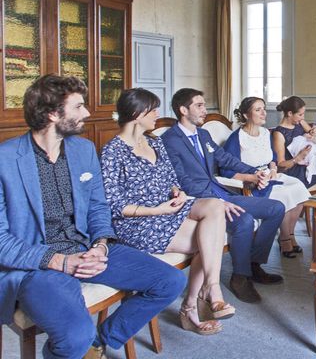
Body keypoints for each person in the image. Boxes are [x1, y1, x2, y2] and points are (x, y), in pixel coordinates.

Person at [0, 75, 185, 359]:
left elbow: (98, 207)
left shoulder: (83, 150)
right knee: (74, 337)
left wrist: (100, 244)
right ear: (52, 113)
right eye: (78, 107)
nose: (87, 113)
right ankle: (82, 344)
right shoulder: (5, 159)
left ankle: (99, 342)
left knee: (171, 281)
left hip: (87, 248)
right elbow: (1, 241)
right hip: (39, 264)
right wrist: (59, 261)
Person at [101, 88, 236, 335]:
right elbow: (114, 205)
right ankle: (192, 305)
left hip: (169, 210)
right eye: (152, 110)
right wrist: (155, 210)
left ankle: (210, 288)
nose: (157, 114)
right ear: (135, 113)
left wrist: (178, 192)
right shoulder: (113, 151)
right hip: (139, 224)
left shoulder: (154, 141)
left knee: (215, 206)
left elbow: (172, 179)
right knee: (208, 238)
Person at [161, 88, 285, 304]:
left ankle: (254, 265)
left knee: (276, 208)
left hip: (219, 190)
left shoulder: (203, 134)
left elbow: (226, 159)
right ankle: (240, 277)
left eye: (204, 104)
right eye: (199, 105)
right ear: (183, 110)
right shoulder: (170, 139)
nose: (204, 110)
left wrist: (254, 172)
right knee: (244, 220)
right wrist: (217, 203)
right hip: (200, 200)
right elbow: (183, 181)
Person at [222, 96, 309, 258]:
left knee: (298, 187)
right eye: (258, 110)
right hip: (254, 184)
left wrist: (274, 169)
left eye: (263, 108)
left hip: (270, 175)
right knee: (284, 195)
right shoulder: (236, 138)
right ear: (247, 115)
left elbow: (273, 158)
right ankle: (284, 240)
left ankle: (290, 235)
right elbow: (227, 172)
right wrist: (252, 178)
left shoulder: (265, 133)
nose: (264, 113)